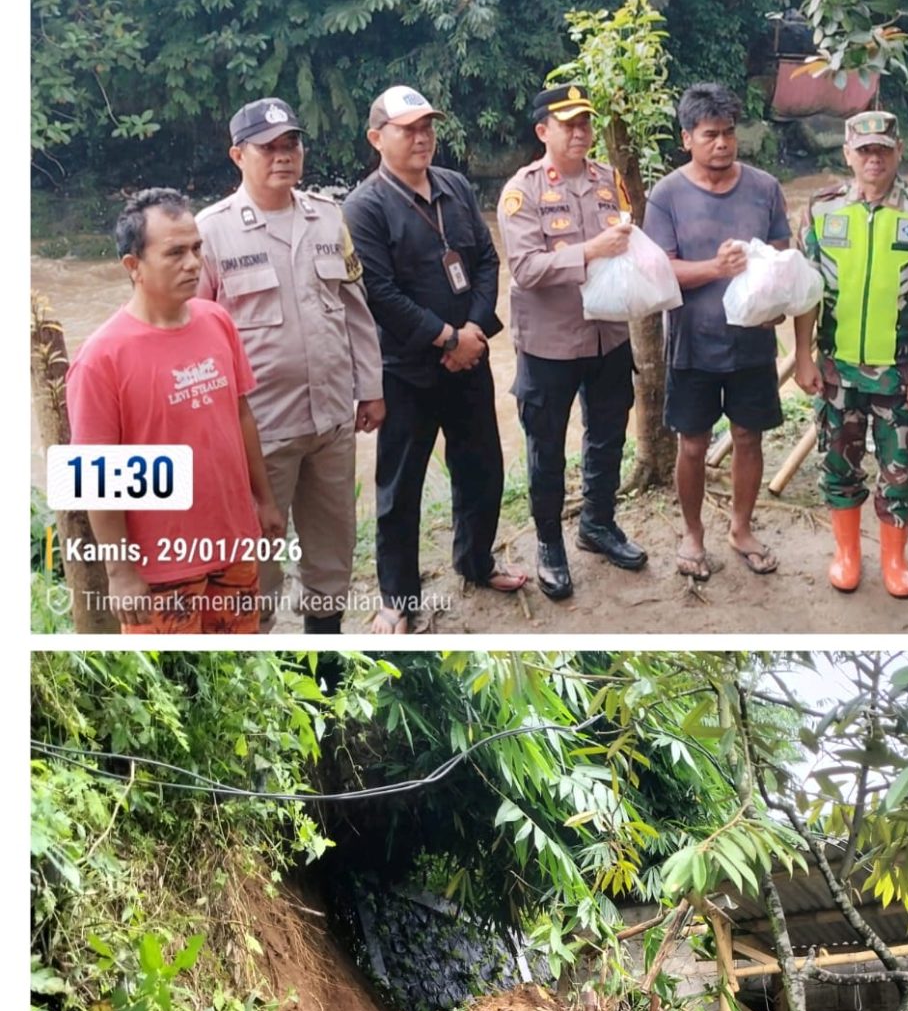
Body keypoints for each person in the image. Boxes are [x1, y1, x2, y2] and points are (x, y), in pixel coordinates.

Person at [197, 97, 384, 633]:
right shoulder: (211, 233)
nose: (284, 156)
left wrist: (370, 387)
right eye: (269, 147)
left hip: (330, 420)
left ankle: (326, 655)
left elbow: (355, 309)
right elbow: (198, 339)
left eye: (292, 144)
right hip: (259, 433)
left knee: (332, 549)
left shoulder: (328, 217)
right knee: (256, 558)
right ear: (238, 155)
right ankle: (261, 662)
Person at [344, 85, 526, 633]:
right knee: (400, 489)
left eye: (427, 127)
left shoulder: (455, 187)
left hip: (468, 362)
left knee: (483, 469)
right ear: (378, 139)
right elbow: (380, 293)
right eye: (408, 129)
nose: (422, 137)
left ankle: (476, 560)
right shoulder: (364, 206)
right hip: (406, 372)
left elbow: (488, 261)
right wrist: (447, 339)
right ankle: (397, 597)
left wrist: (473, 330)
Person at [65, 188, 284, 634]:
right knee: (173, 680)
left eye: (197, 248)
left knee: (234, 671)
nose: (193, 263)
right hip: (160, 569)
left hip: (235, 549)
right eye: (175, 253)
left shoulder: (216, 320)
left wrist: (264, 500)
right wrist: (120, 572)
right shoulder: (101, 357)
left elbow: (240, 415)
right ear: (133, 267)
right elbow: (94, 476)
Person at [794, 109, 908, 597]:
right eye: (864, 150)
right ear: (847, 154)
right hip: (836, 370)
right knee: (838, 465)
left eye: (883, 150)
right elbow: (804, 292)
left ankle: (894, 558)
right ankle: (847, 553)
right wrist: (802, 356)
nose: (873, 159)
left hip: (903, 374)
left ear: (898, 152)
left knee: (900, 470)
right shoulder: (821, 210)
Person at [497, 84, 646, 600]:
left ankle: (598, 524)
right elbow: (525, 268)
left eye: (585, 122)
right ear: (543, 132)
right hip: (550, 344)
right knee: (546, 449)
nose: (580, 131)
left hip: (609, 336)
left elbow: (629, 240)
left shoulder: (610, 180)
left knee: (608, 435)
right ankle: (549, 544)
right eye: (568, 124)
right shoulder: (524, 191)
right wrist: (590, 251)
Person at [643, 82, 791, 580]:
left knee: (749, 437)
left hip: (752, 342)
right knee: (692, 444)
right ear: (687, 138)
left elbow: (778, 258)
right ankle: (692, 533)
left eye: (729, 133)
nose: (722, 144)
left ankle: (741, 528)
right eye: (710, 135)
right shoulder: (665, 196)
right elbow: (658, 272)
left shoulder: (765, 188)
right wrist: (716, 269)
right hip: (692, 342)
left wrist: (776, 301)